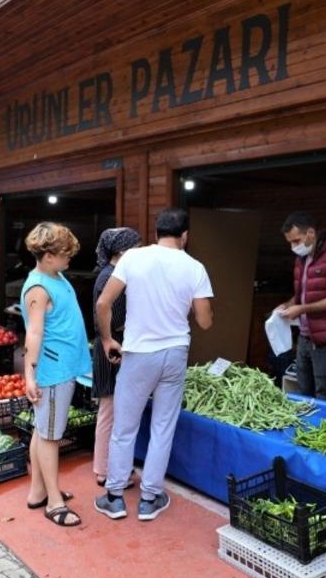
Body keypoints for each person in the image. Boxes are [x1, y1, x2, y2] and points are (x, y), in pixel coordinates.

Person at [94, 208, 213, 522]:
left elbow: (103, 302)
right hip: (175, 353)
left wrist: (107, 340)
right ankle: (149, 499)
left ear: (156, 231)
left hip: (138, 353)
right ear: (185, 235)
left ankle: (115, 496)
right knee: (163, 426)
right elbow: (204, 321)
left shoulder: (133, 258)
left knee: (124, 427)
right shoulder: (195, 267)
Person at [21, 222, 92, 527]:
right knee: (51, 437)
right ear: (48, 256)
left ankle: (38, 491)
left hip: (64, 367)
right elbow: (34, 333)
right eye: (65, 254)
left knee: (43, 430)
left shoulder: (56, 277)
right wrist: (29, 375)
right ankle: (54, 502)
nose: (69, 259)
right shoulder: (38, 288)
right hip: (53, 371)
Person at [276, 211, 326, 403]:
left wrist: (301, 309)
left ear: (310, 233)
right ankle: (306, 431)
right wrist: (288, 304)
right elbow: (303, 294)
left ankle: (324, 431)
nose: (293, 247)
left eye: (296, 240)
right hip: (305, 336)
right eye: (290, 242)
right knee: (303, 391)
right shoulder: (301, 259)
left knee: (324, 394)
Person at [90, 227, 143, 488]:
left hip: (112, 345)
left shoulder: (111, 274)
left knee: (113, 409)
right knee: (109, 410)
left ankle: (113, 465)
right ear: (122, 251)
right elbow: (112, 318)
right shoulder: (111, 278)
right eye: (136, 246)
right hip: (111, 347)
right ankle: (103, 469)